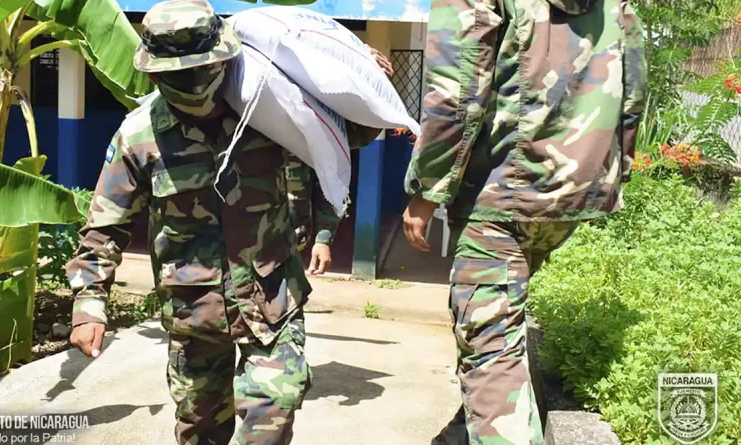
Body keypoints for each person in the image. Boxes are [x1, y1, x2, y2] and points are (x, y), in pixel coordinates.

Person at [64, 1, 380, 444]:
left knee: (272, 417)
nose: (190, 84)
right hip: (195, 315)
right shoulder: (139, 136)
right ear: (154, 73)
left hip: (272, 301)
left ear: (225, 60)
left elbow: (357, 132)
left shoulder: (272, 111)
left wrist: (362, 74)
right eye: (175, 74)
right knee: (201, 432)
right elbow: (105, 226)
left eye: (199, 70)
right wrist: (88, 304)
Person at [402, 0, 648, 444]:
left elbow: (457, 91)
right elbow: (633, 90)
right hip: (572, 189)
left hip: (497, 195)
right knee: (498, 330)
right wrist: (612, 171)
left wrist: (426, 187)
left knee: (491, 347)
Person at [285, 46, 394, 275]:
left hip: (287, 245)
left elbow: (331, 178)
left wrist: (323, 238)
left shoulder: (317, 126)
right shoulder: (251, 114)